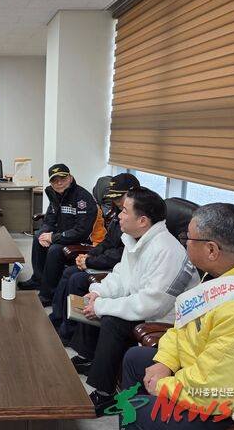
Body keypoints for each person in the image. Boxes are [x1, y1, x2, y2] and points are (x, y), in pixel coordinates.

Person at [120, 203, 234, 430]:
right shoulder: (230, 274)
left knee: (138, 412)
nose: (183, 242)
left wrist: (162, 386)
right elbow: (184, 325)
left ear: (211, 250)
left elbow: (217, 391)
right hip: (213, 371)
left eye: (187, 238)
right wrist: (165, 361)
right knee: (135, 359)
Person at [67, 187, 199, 414]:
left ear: (142, 220)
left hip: (165, 320)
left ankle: (105, 394)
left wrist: (102, 306)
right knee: (95, 299)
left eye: (125, 211)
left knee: (113, 320)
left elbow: (152, 304)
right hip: (144, 306)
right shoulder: (136, 239)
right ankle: (89, 356)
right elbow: (121, 275)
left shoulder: (166, 250)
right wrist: (99, 293)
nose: (118, 215)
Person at [49, 173, 140, 342]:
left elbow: (120, 254)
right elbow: (107, 242)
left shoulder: (137, 219)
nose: (115, 201)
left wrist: (90, 261)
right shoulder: (117, 213)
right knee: (69, 272)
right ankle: (58, 318)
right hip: (107, 261)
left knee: (76, 279)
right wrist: (89, 255)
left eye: (119, 197)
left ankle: (69, 332)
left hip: (118, 269)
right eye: (113, 197)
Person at [18, 163, 99, 307]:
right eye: (55, 180)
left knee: (55, 250)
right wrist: (44, 233)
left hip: (82, 240)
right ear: (51, 183)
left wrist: (54, 238)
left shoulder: (82, 198)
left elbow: (82, 231)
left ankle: (48, 294)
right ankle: (38, 279)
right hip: (63, 235)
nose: (59, 183)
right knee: (38, 237)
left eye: (63, 178)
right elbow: (49, 219)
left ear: (70, 177)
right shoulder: (55, 195)